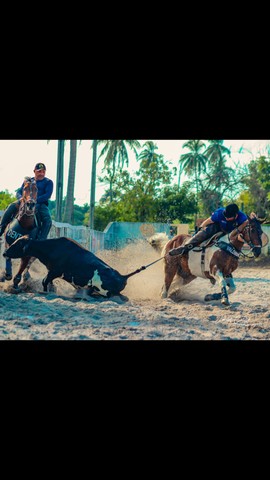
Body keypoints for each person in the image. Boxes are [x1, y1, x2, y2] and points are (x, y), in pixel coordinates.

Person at [169, 203, 248, 256]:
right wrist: (200, 229)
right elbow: (209, 220)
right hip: (218, 227)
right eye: (226, 216)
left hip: (232, 231)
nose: (227, 218)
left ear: (236, 215)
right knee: (205, 232)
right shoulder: (219, 213)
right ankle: (184, 248)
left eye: (229, 217)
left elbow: (245, 226)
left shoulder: (242, 218)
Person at [0, 163, 53, 240]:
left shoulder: (48, 182)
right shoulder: (28, 181)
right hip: (24, 202)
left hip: (40, 204)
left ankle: (41, 240)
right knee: (10, 207)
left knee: (48, 220)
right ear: (34, 171)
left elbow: (47, 195)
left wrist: (33, 200)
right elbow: (19, 192)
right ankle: (1, 229)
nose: (41, 173)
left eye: (43, 172)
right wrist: (21, 198)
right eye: (39, 171)